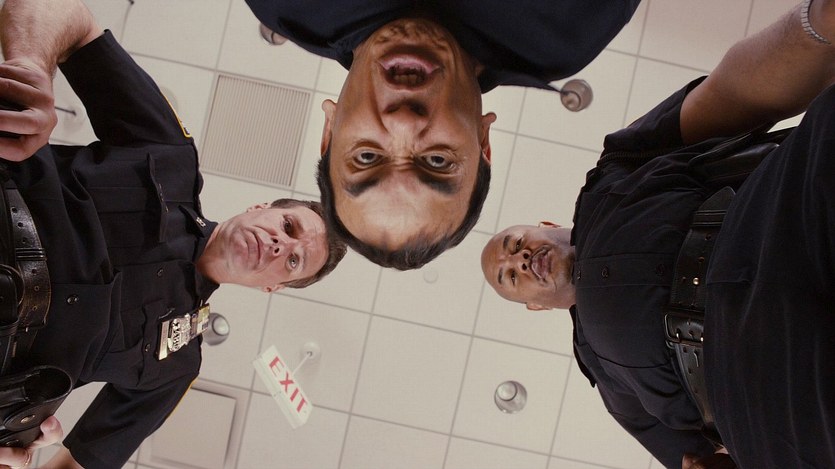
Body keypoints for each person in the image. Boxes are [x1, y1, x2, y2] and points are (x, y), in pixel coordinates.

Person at [481, 1, 835, 467]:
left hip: (780, 222)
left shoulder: (614, 172)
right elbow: (695, 460)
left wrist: (817, 24)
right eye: (510, 276)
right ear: (534, 305)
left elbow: (729, 95)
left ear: (545, 226)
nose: (520, 260)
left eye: (514, 244)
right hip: (770, 401)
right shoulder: (612, 388)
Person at [0, 0, 347, 467]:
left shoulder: (176, 364)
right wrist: (29, 69)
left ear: (273, 287)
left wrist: (18, 459)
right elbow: (61, 13)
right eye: (288, 227)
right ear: (260, 208)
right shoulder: (169, 155)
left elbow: (82, 461)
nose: (280, 244)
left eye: (292, 261)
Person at [245, 0, 641, 269]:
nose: (403, 122)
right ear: (482, 142)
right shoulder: (570, 26)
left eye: (366, 157)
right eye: (437, 160)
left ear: (330, 131)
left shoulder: (284, 4)